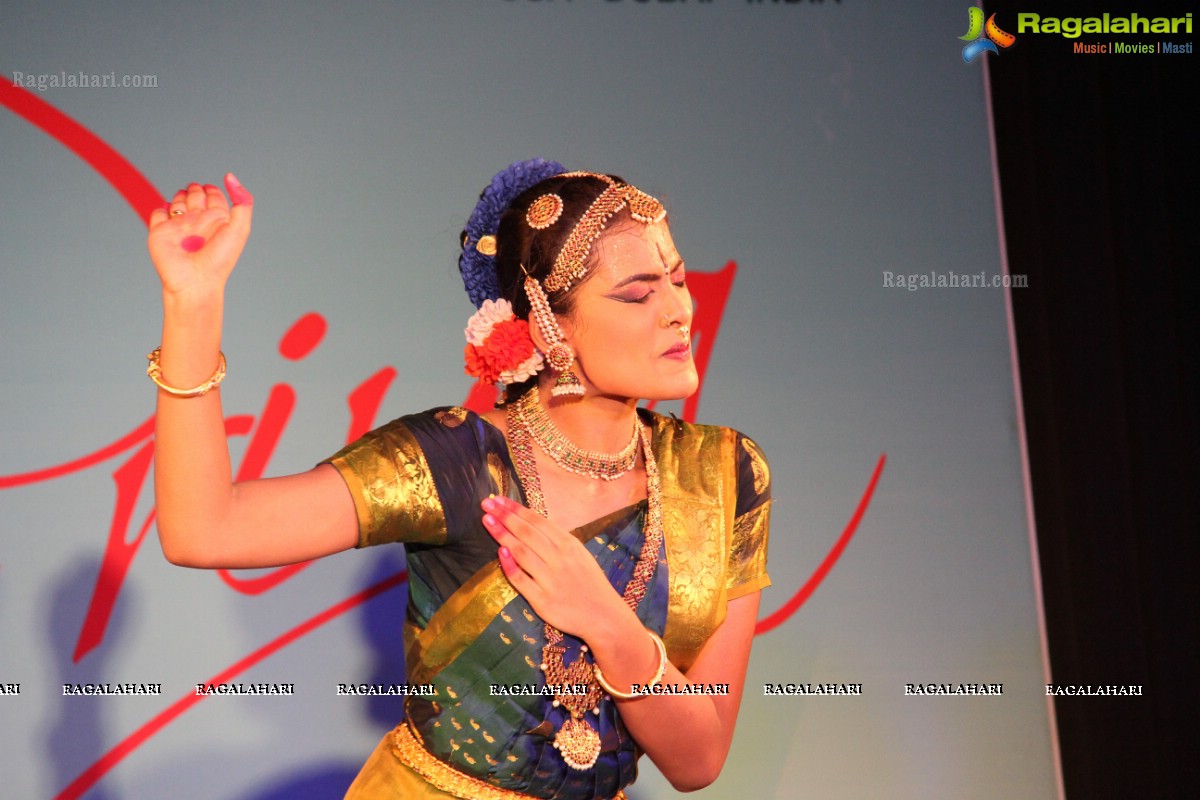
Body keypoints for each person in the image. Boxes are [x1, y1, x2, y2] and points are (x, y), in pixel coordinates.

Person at [146, 160, 772, 800]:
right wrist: (191, 303)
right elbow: (203, 531)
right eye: (639, 294)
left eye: (676, 280)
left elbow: (698, 762)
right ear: (547, 325)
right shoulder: (452, 460)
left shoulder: (723, 475)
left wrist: (608, 625)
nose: (678, 311)